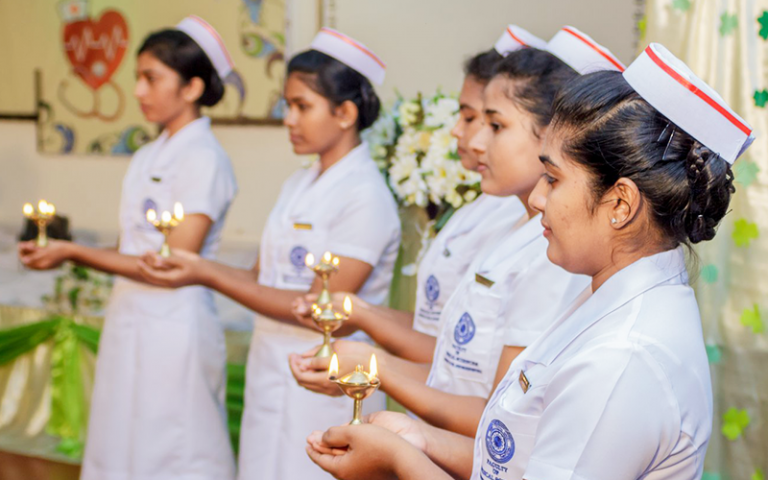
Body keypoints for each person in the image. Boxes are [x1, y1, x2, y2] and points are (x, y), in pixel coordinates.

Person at [306, 42, 752, 480]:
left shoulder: (620, 359)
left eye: (554, 179)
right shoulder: (606, 296)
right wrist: (420, 441)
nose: (538, 199)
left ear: (620, 204)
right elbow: (521, 459)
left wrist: (399, 462)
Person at [291, 27, 621, 439]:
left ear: (551, 132)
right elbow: (453, 362)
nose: (473, 139)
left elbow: (503, 415)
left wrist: (375, 365)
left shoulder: (557, 253)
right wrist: (369, 348)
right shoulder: (513, 225)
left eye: (493, 124)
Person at [137, 28, 401, 480]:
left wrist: (205, 272)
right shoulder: (298, 184)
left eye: (302, 106)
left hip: (330, 376)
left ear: (345, 113)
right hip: (272, 363)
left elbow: (324, 311)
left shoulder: (366, 196)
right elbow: (262, 276)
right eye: (287, 105)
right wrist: (212, 272)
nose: (288, 119)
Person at [19, 16, 239, 480]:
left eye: (151, 78)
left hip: (175, 325)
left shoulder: (203, 158)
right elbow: (129, 246)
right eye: (137, 78)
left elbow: (170, 262)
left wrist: (72, 253)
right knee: (122, 440)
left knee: (173, 446)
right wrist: (65, 247)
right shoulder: (147, 154)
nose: (138, 91)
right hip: (130, 316)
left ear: (193, 87)